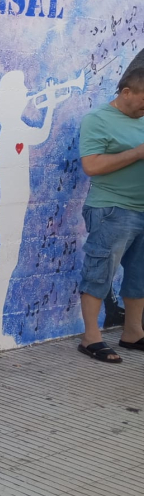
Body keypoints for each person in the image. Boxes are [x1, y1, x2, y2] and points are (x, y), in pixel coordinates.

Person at [77, 67, 144, 363]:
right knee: (100, 272)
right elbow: (91, 165)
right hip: (112, 209)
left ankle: (133, 333)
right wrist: (138, 152)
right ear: (126, 92)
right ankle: (90, 338)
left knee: (140, 275)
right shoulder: (97, 119)